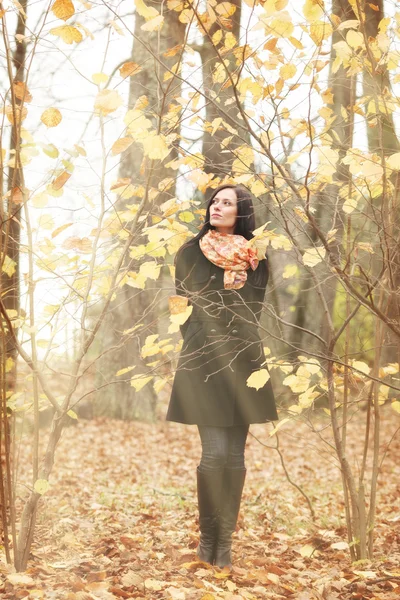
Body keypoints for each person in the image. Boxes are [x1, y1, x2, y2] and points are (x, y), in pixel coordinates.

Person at [166, 183, 278, 568]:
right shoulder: (189, 253)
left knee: (235, 456)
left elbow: (254, 310)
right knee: (213, 454)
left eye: (227, 202)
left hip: (245, 361)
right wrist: (201, 341)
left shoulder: (256, 258)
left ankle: (224, 546)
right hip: (203, 361)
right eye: (215, 201)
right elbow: (181, 306)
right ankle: (208, 541)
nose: (217, 206)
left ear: (241, 213)